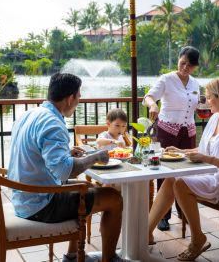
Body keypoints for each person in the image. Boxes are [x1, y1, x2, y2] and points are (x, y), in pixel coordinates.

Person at [8, 73, 129, 262]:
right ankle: (108, 259)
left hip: (22, 196)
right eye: (79, 96)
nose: (79, 101)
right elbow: (65, 171)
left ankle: (73, 256)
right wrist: (97, 156)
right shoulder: (53, 123)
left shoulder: (30, 114)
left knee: (89, 189)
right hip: (40, 204)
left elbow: (38, 151)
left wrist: (66, 151)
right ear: (70, 98)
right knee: (113, 198)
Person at [148, 77, 219, 261]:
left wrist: (207, 159)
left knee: (180, 184)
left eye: (209, 97)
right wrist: (182, 151)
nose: (205, 101)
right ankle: (146, 232)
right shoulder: (215, 119)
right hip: (210, 172)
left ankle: (198, 239)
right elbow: (204, 150)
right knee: (172, 178)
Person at [143, 46, 200, 231]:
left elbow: (197, 105)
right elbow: (149, 96)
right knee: (165, 171)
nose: (185, 68)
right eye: (183, 63)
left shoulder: (195, 84)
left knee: (187, 172)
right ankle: (162, 215)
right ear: (178, 60)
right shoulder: (166, 79)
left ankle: (184, 210)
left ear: (195, 67)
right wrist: (153, 105)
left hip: (188, 132)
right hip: (167, 131)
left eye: (190, 65)